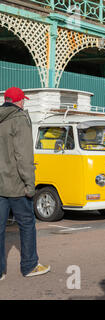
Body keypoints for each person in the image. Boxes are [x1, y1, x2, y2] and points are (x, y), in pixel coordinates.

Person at [0, 87, 50, 280]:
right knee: (27, 224)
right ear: (20, 101)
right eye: (23, 101)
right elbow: (24, 155)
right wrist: (30, 184)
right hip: (16, 184)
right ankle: (29, 266)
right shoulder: (20, 119)